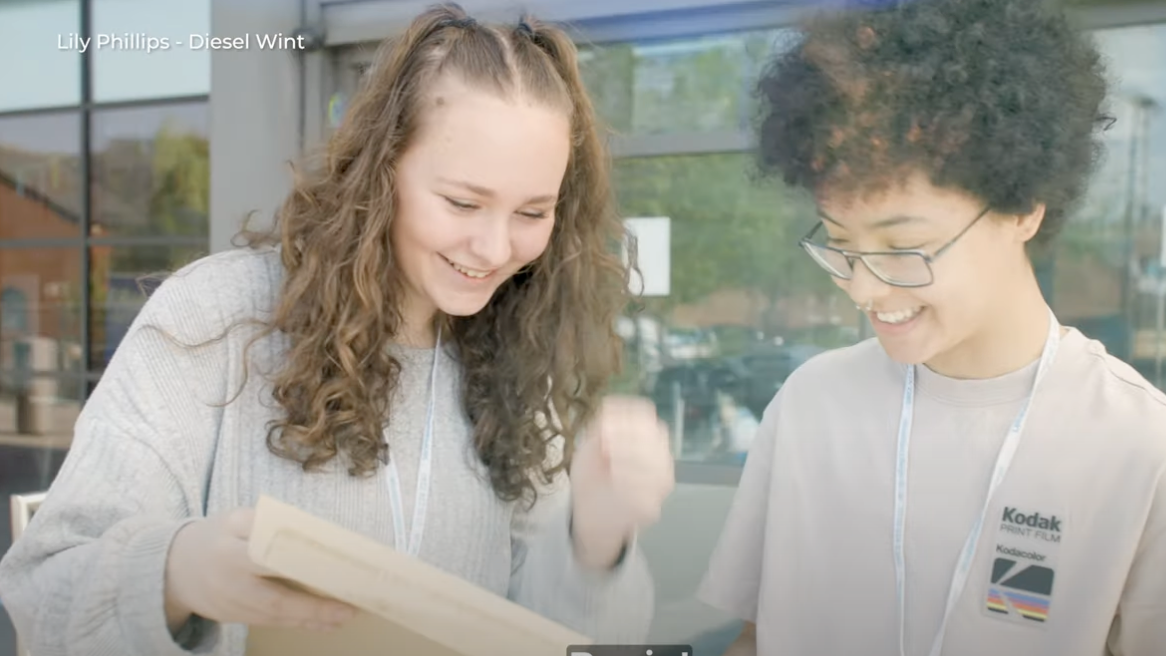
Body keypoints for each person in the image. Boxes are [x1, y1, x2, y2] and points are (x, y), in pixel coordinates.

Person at [0, 5, 675, 655]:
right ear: (380, 173)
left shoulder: (524, 357)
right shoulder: (213, 318)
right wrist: (176, 570)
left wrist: (597, 543)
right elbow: (45, 594)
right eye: (462, 202)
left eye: (533, 212)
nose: (495, 248)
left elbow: (569, 642)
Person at [697, 0, 1166, 655]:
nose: (863, 288)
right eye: (842, 244)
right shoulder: (809, 404)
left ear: (1023, 207)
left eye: (904, 248)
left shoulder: (1156, 459)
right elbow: (756, 640)